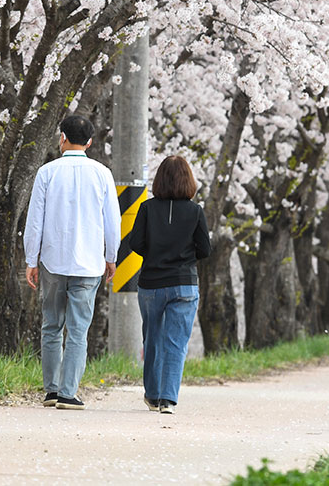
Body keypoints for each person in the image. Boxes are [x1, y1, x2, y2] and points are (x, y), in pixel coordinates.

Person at [23, 115, 119, 411]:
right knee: (78, 330)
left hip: (53, 259)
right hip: (89, 263)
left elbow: (34, 220)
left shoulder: (47, 172)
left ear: (61, 137)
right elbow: (112, 223)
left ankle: (51, 390)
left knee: (51, 325)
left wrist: (31, 259)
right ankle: (68, 392)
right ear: (89, 142)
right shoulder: (102, 173)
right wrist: (111, 257)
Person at [126, 155, 211, 415]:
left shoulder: (147, 208)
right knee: (176, 342)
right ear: (189, 180)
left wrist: (154, 254)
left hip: (151, 283)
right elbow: (205, 249)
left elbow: (134, 243)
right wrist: (184, 258)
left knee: (152, 337)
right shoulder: (196, 211)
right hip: (184, 284)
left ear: (159, 179)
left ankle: (152, 395)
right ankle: (168, 400)